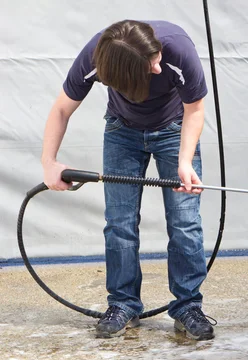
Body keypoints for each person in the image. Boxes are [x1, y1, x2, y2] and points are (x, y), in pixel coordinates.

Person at [41, 20, 215, 340]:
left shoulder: (176, 49)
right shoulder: (97, 57)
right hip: (122, 131)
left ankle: (188, 305)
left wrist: (185, 161)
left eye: (158, 57)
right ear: (122, 74)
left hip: (175, 130)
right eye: (152, 65)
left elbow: (195, 108)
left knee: (185, 221)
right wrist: (49, 162)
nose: (159, 67)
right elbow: (62, 109)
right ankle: (124, 304)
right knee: (119, 222)